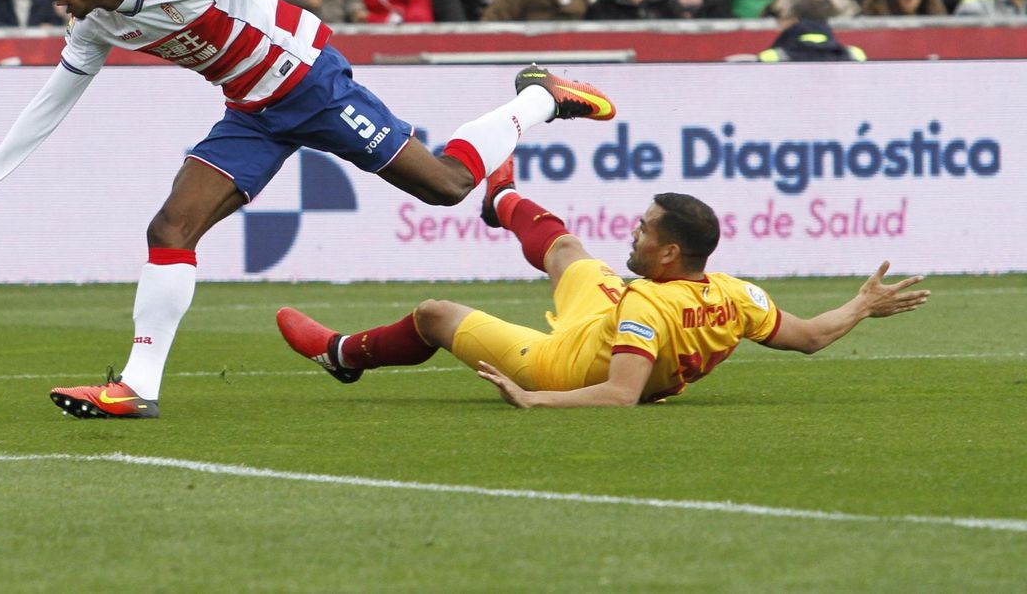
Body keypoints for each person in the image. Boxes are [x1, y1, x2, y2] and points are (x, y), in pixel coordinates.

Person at [0, 0, 623, 418]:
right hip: (250, 112)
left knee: (444, 185)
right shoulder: (95, 23)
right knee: (170, 229)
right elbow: (50, 103)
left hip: (311, 80)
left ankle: (541, 97)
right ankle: (137, 387)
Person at [280, 161, 926, 404]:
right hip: (608, 323)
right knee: (566, 249)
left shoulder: (645, 304)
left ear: (669, 252)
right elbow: (810, 338)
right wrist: (863, 305)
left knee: (434, 314)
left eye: (645, 230)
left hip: (564, 366)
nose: (635, 232)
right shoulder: (734, 293)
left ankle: (341, 356)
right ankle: (500, 197)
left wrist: (534, 401)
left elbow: (619, 396)